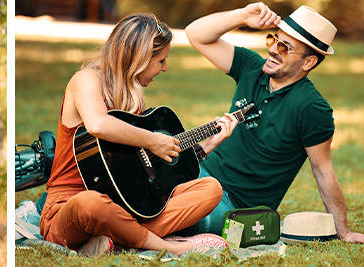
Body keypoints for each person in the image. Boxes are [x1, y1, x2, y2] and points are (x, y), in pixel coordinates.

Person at [39, 14, 236, 256]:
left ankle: (119, 239)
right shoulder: (86, 80)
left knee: (210, 189)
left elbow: (145, 171)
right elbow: (98, 124)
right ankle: (166, 245)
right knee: (90, 203)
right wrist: (153, 140)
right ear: (140, 58)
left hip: (126, 206)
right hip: (70, 206)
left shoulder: (132, 99)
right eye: (161, 60)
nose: (165, 68)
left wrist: (203, 148)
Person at [183, 3, 364, 243]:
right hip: (199, 174)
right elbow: (196, 34)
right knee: (149, 181)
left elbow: (323, 169)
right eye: (273, 40)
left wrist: (344, 231)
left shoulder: (311, 107)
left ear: (308, 63)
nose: (274, 50)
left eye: (285, 47)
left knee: (197, 221)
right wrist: (242, 15)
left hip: (235, 210)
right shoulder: (251, 67)